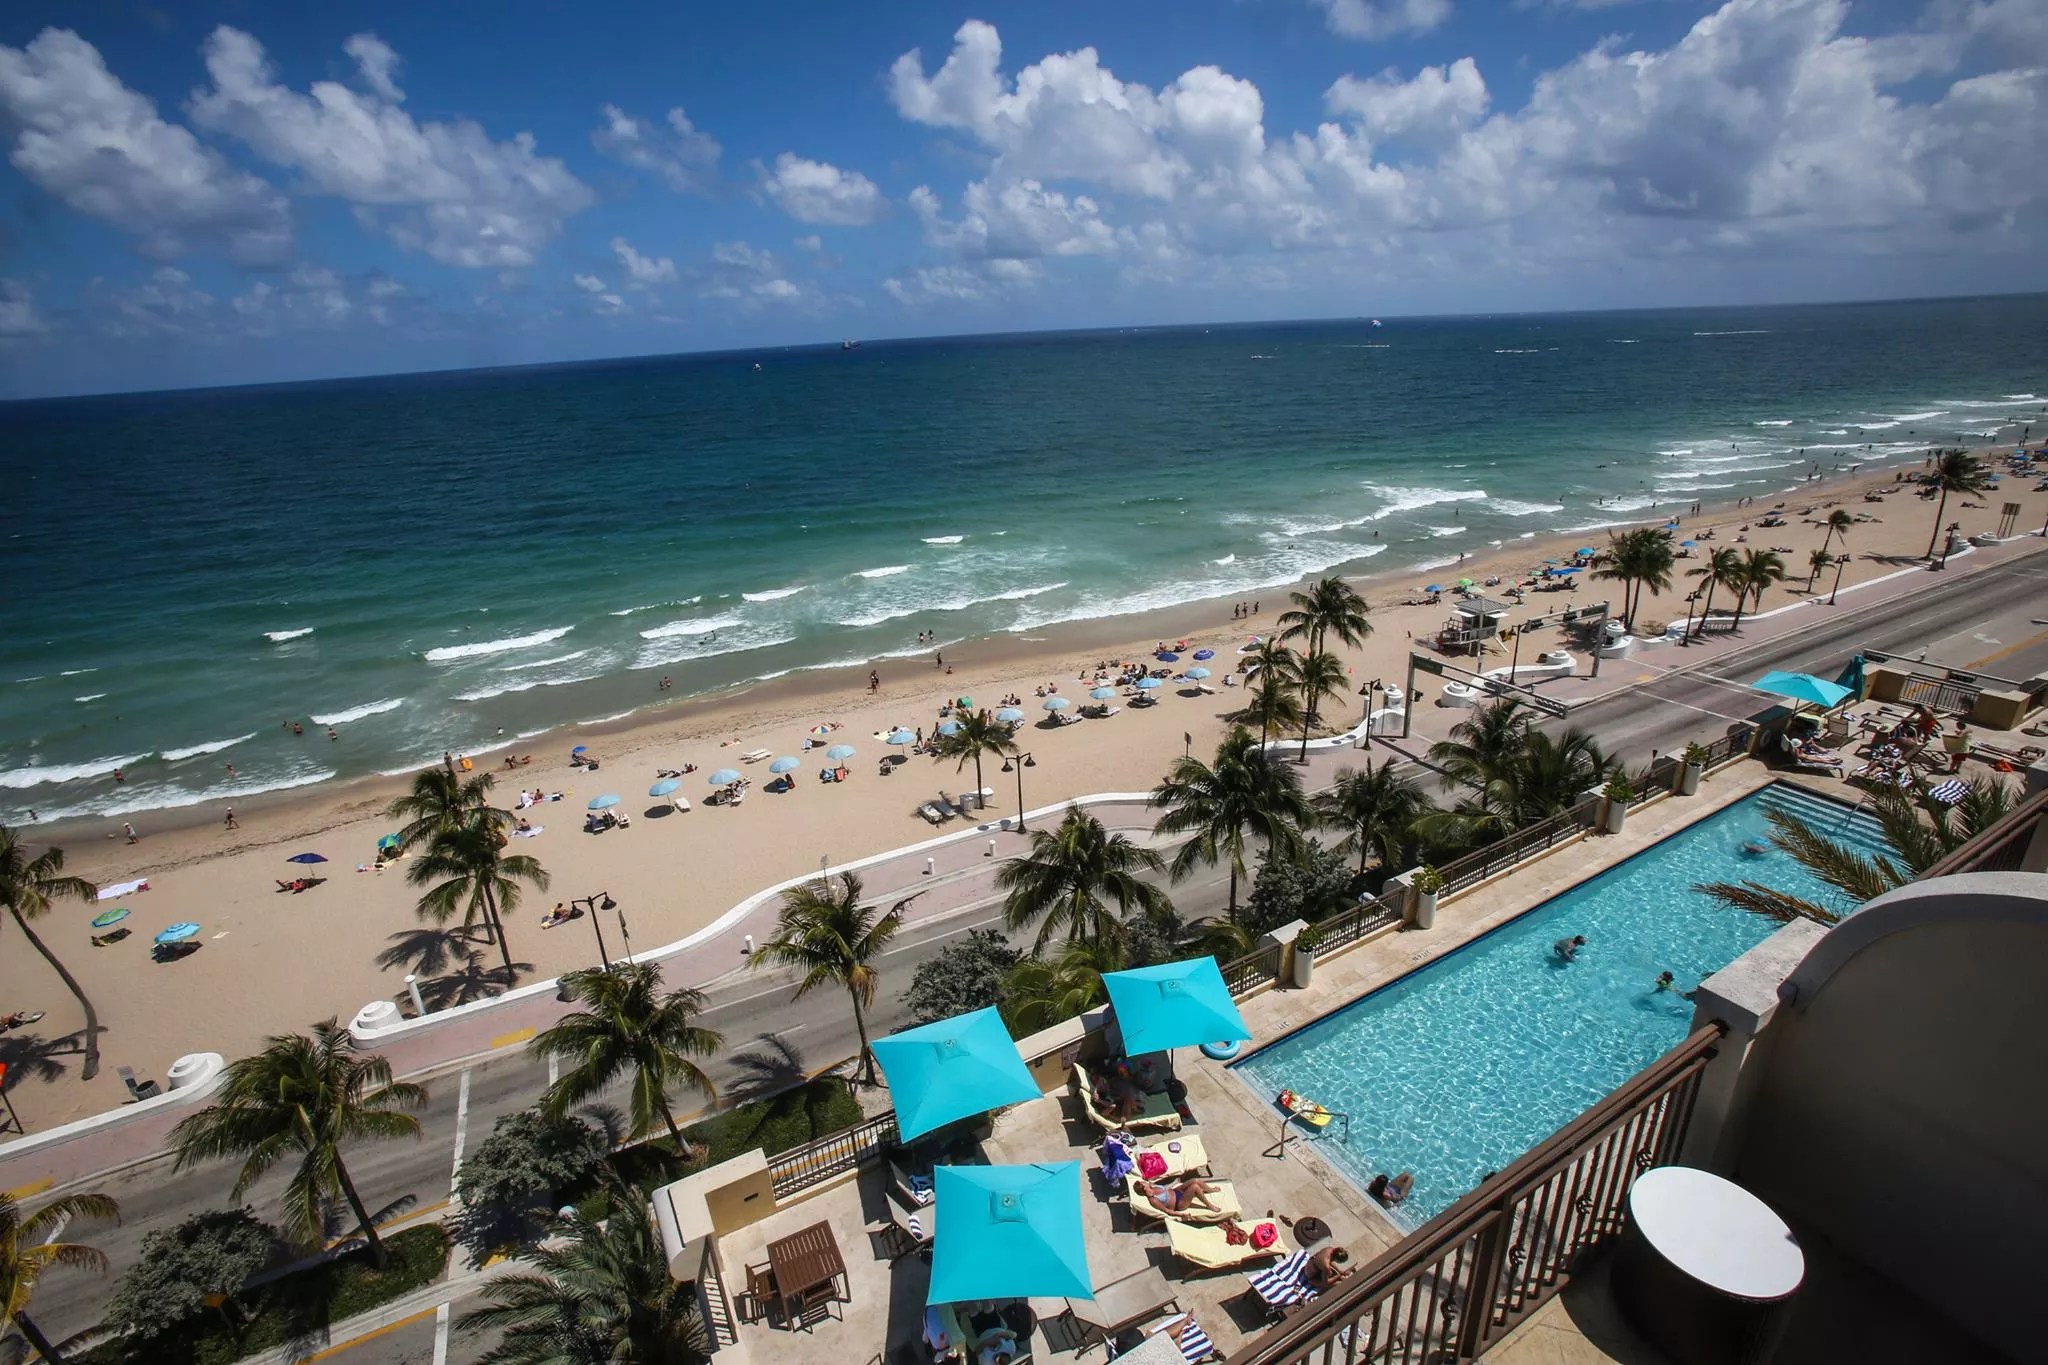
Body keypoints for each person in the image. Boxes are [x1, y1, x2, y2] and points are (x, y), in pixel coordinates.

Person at [1136, 1177, 1223, 1215]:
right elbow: (1167, 1211)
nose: (1146, 1182)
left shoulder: (1152, 1186)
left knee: (1195, 1180)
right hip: (1179, 1203)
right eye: (1144, 1183)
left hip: (1176, 1191)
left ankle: (1211, 1190)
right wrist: (1181, 1215)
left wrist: (1174, 1182)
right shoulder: (1153, 1200)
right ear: (1144, 1188)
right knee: (1195, 1187)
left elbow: (1165, 1188)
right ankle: (1209, 1205)